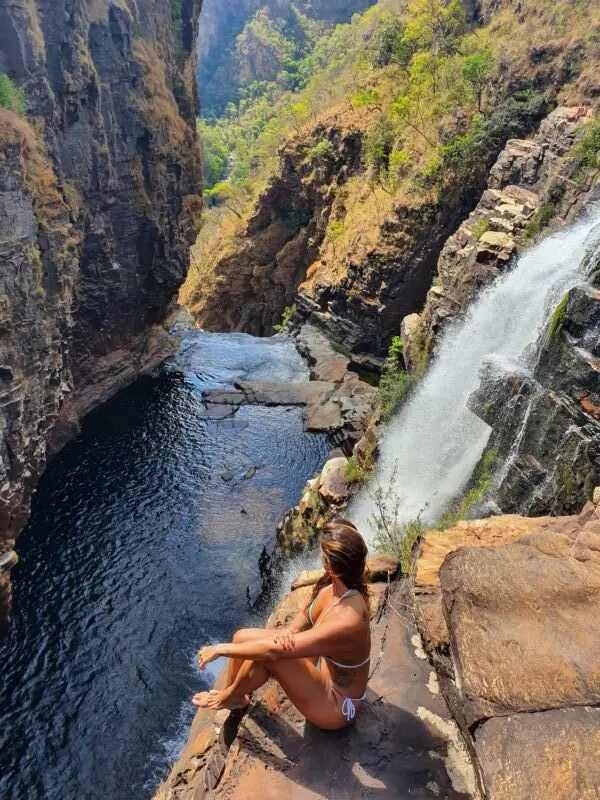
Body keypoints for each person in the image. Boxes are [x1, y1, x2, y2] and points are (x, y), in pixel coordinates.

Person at [192, 518, 371, 730]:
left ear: (332, 567)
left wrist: (220, 650)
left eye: (322, 555)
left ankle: (228, 697)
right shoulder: (335, 586)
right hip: (322, 670)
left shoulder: (348, 619)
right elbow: (306, 614)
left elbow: (273, 651)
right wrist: (290, 630)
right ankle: (235, 698)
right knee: (241, 637)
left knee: (266, 657)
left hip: (339, 705)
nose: (319, 557)